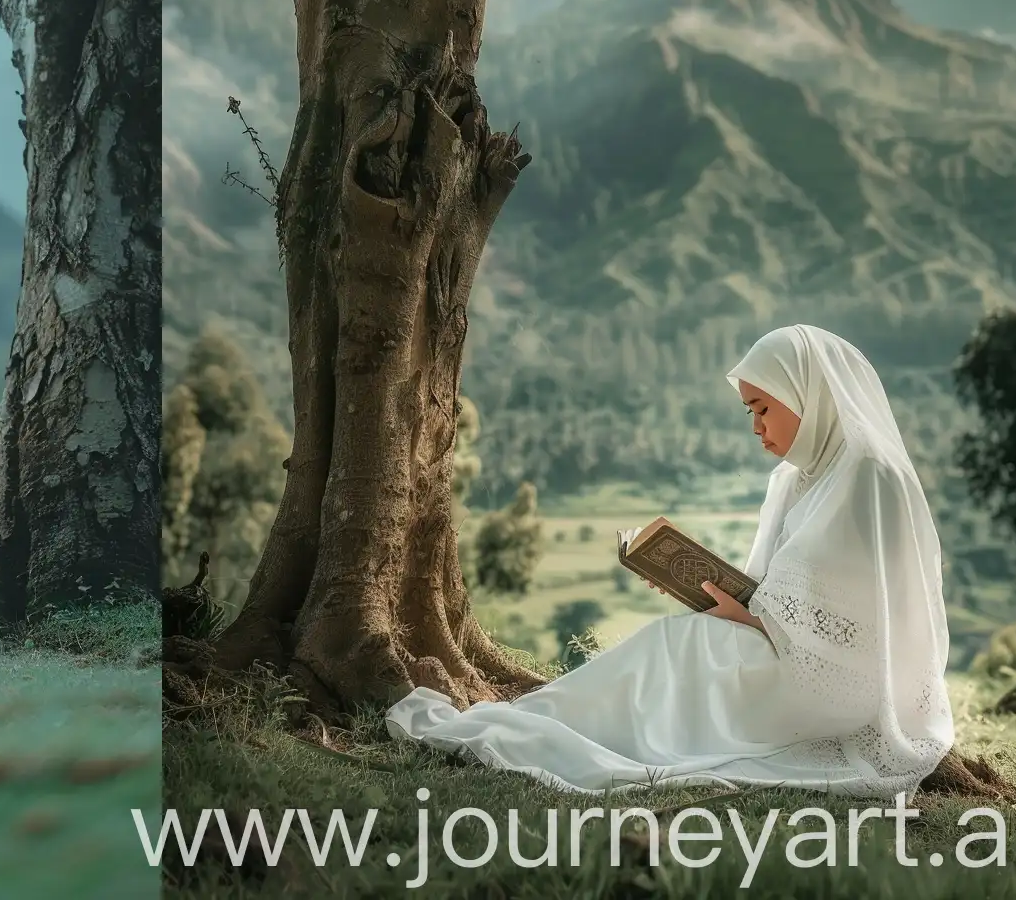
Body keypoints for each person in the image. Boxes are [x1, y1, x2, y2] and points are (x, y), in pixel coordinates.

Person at [388, 323, 954, 793]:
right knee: (675, 645)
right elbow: (772, 592)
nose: (756, 427)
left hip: (838, 685)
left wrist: (752, 621)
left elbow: (877, 631)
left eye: (764, 409)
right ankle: (535, 723)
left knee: (675, 647)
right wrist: (704, 588)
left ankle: (538, 727)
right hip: (780, 652)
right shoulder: (796, 478)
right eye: (748, 413)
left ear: (810, 396)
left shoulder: (869, 477)